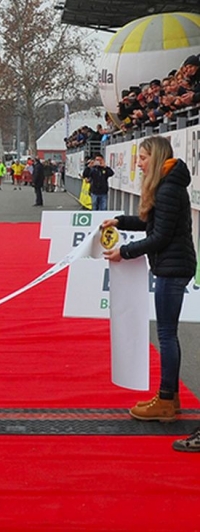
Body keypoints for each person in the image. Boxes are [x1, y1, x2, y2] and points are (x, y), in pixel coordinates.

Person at [101, 136, 196, 428]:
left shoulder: (168, 189)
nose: (138, 164)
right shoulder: (168, 186)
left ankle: (166, 399)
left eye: (142, 158)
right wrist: (120, 220)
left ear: (154, 158)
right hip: (173, 265)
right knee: (168, 333)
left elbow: (159, 237)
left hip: (172, 267)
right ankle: (171, 397)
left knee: (167, 334)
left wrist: (124, 253)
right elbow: (150, 222)